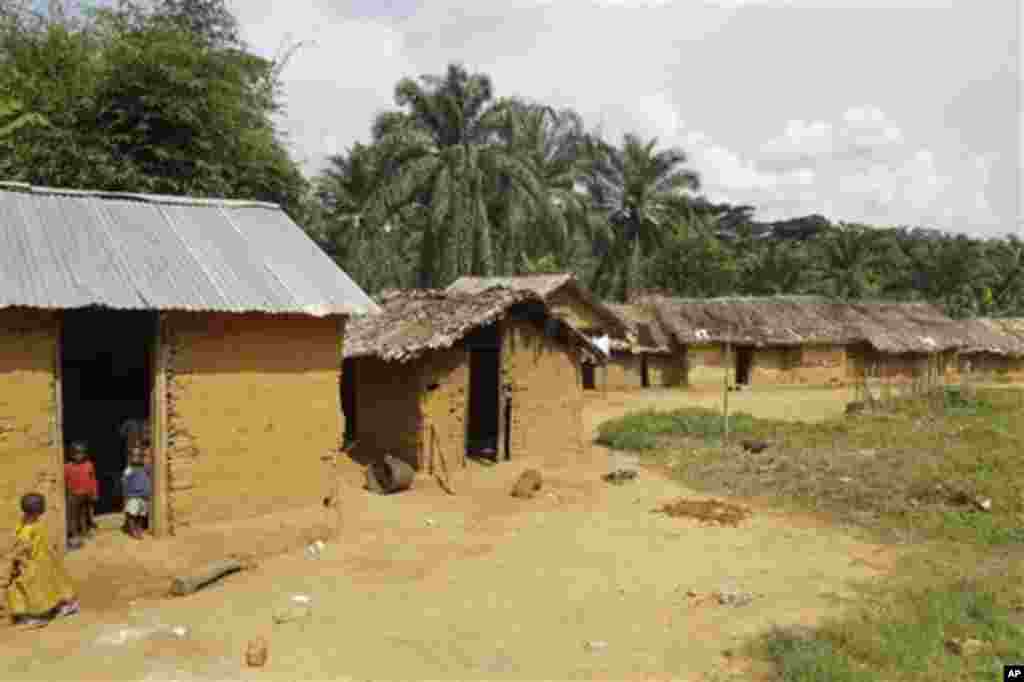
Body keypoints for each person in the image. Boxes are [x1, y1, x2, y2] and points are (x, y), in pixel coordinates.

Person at [4, 493, 80, 628]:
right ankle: (67, 604)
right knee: (54, 583)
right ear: (41, 510)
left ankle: (39, 616)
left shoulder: (26, 527)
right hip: (44, 561)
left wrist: (14, 559)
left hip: (33, 564)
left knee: (34, 590)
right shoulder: (33, 524)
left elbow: (23, 548)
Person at [64, 442, 99, 548]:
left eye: (81, 453)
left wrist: (94, 492)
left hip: (86, 494)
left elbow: (93, 479)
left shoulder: (89, 465)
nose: (79, 456)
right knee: (73, 517)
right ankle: (74, 536)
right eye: (76, 453)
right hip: (73, 495)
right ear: (71, 454)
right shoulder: (67, 467)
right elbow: (64, 482)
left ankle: (84, 532)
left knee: (84, 514)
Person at [122, 446, 151, 540]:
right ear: (130, 457)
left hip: (144, 496)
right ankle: (132, 530)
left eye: (139, 456)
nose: (136, 458)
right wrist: (126, 496)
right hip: (133, 496)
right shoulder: (129, 469)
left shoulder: (145, 468)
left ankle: (139, 528)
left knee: (141, 515)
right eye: (134, 455)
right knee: (132, 514)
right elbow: (124, 482)